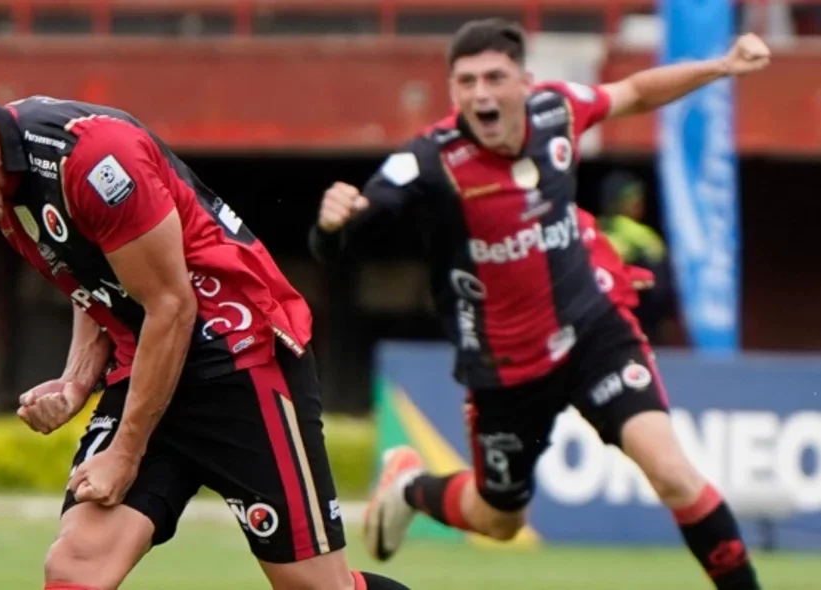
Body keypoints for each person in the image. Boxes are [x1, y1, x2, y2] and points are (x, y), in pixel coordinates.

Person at [0, 97, 411, 590]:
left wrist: (126, 452)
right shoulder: (1, 192)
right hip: (150, 366)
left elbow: (172, 304)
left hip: (240, 357)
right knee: (77, 563)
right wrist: (77, 379)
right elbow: (96, 281)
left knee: (316, 587)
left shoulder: (93, 159)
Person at [309, 19, 768, 590]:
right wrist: (332, 225)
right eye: (467, 81)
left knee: (674, 475)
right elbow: (350, 231)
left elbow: (636, 92)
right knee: (498, 521)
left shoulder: (559, 111)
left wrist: (720, 67)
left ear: (525, 83)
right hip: (505, 371)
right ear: (453, 92)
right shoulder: (430, 159)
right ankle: (410, 488)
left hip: (593, 333)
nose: (481, 93)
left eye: (495, 77)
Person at [598, 171, 671, 340]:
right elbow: (661, 288)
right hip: (636, 323)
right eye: (633, 198)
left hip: (599, 325)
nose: (639, 203)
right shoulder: (642, 236)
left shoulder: (590, 229)